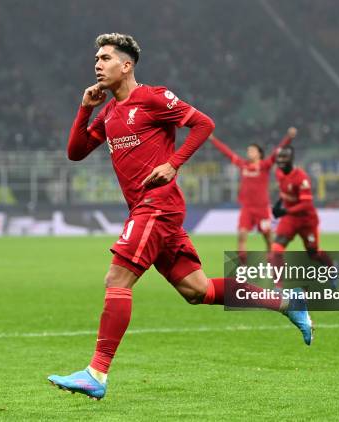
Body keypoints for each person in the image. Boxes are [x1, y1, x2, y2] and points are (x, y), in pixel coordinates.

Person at [47, 33, 313, 400]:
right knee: (197, 290)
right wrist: (85, 109)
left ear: (126, 66)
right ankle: (287, 303)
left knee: (117, 278)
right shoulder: (108, 112)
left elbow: (204, 123)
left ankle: (97, 373)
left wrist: (173, 164)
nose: (97, 63)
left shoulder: (153, 98)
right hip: (151, 210)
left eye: (105, 57)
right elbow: (75, 152)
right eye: (96, 58)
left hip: (156, 205)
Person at [210, 128, 297, 264]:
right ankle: (242, 267)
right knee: (242, 235)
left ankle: (273, 261)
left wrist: (289, 138)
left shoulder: (264, 165)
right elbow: (227, 153)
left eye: (252, 150)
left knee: (268, 238)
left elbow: (277, 152)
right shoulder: (243, 165)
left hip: (262, 209)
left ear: (259, 154)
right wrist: (213, 139)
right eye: (248, 150)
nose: (249, 152)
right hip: (247, 208)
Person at [271, 145, 335, 281]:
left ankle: (332, 269)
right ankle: (278, 289)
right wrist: (278, 205)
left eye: (285, 157)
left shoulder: (301, 178)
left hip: (307, 220)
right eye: (279, 157)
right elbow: (285, 192)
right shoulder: (278, 173)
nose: (281, 160)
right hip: (290, 219)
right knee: (276, 249)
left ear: (292, 159)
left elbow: (306, 204)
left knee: (313, 253)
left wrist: (285, 210)